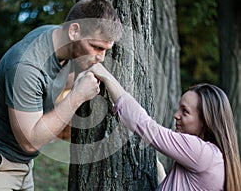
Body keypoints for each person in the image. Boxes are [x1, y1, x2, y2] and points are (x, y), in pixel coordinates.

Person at [0, 0, 123, 190]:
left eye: (106, 49)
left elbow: (61, 78)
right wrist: (77, 96)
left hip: (23, 165)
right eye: (96, 47)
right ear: (74, 31)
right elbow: (30, 142)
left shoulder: (60, 41)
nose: (100, 57)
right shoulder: (26, 66)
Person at [90, 63, 241, 190]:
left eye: (185, 112)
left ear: (206, 121)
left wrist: (105, 75)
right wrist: (162, 175)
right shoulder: (215, 158)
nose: (176, 115)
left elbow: (144, 124)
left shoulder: (202, 153)